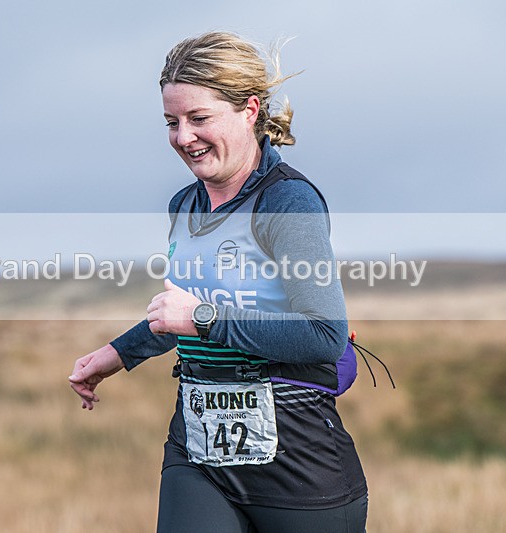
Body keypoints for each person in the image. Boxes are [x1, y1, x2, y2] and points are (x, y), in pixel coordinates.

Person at [69, 31, 368, 532]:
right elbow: (182, 313)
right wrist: (116, 355)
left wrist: (204, 320)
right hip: (197, 453)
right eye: (172, 122)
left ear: (249, 110)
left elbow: (324, 335)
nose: (183, 137)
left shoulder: (288, 202)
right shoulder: (184, 205)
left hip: (298, 464)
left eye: (199, 118)